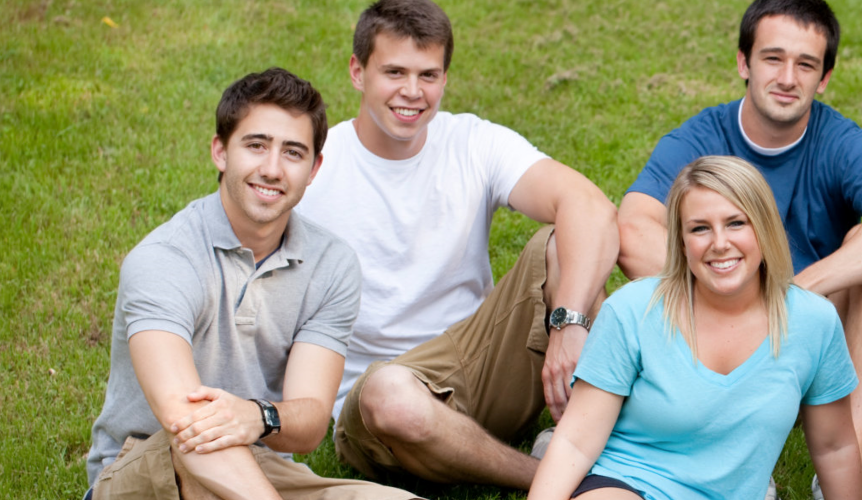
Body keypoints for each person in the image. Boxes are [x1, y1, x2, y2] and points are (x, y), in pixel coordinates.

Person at [299, 0, 619, 488]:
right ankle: (555, 475)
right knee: (392, 396)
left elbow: (590, 206)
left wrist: (569, 323)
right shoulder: (316, 166)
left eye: (428, 74)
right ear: (357, 72)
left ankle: (628, 438)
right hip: (382, 401)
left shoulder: (472, 142)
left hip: (479, 359)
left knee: (564, 241)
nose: (412, 91)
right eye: (394, 72)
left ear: (446, 78)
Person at [84, 68, 417, 500]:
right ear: (220, 152)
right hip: (153, 470)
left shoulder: (330, 264)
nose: (273, 169)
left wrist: (258, 417)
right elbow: (183, 419)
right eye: (256, 145)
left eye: (293, 153)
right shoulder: (165, 258)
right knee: (197, 443)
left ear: (314, 169)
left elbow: (311, 421)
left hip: (261, 468)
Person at [615, 0, 862, 453]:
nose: (787, 78)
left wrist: (793, 290)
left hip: (806, 337)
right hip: (715, 337)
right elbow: (634, 225)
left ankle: (844, 454)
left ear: (825, 78)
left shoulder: (840, 140)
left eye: (806, 65)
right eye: (773, 58)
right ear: (744, 62)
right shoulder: (701, 138)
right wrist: (732, 296)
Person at [529, 156, 862, 500]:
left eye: (736, 223)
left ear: (765, 228)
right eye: (700, 228)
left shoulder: (813, 322)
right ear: (682, 241)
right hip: (627, 484)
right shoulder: (633, 310)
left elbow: (834, 449)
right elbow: (574, 443)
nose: (719, 243)